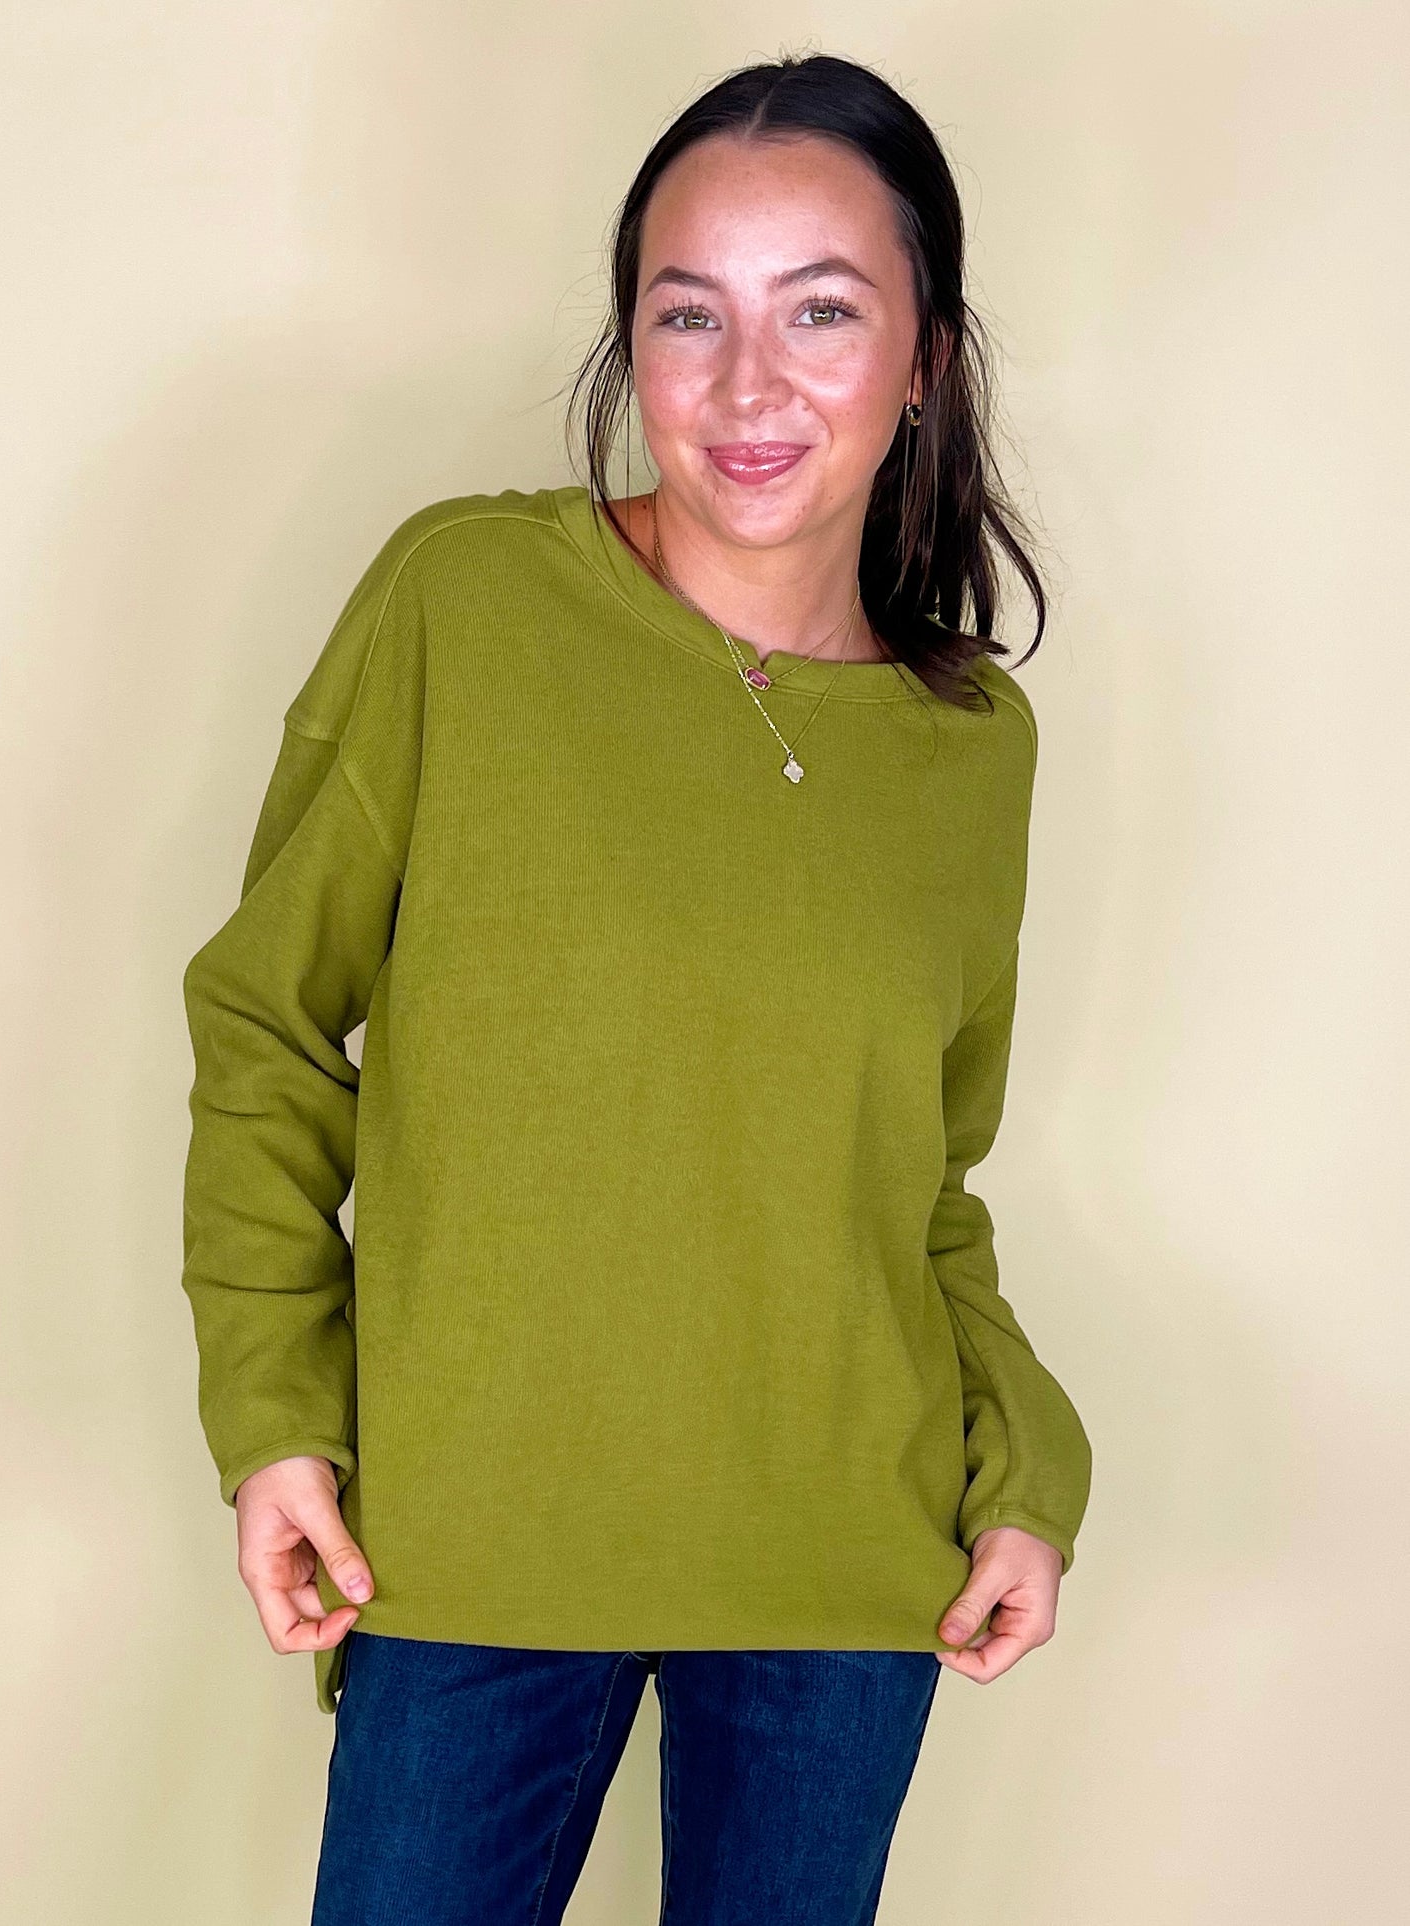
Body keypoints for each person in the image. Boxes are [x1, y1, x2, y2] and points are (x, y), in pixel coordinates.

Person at [180, 50, 1092, 1926]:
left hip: (843, 1567)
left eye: (820, 311)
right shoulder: (463, 601)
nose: (747, 385)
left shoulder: (968, 744)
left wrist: (1021, 1468)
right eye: (689, 315)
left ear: (923, 357)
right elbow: (265, 1020)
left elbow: (917, 1183)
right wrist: (275, 1413)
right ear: (632, 344)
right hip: (470, 1547)